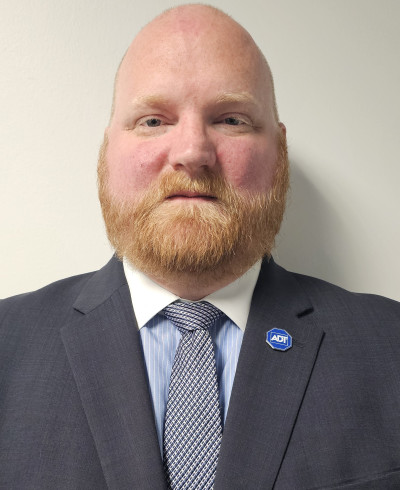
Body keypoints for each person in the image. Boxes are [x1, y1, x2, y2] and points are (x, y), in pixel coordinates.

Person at [1, 4, 400, 489]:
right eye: (153, 121)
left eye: (231, 119)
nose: (192, 152)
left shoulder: (391, 346)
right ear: (108, 151)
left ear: (280, 152)